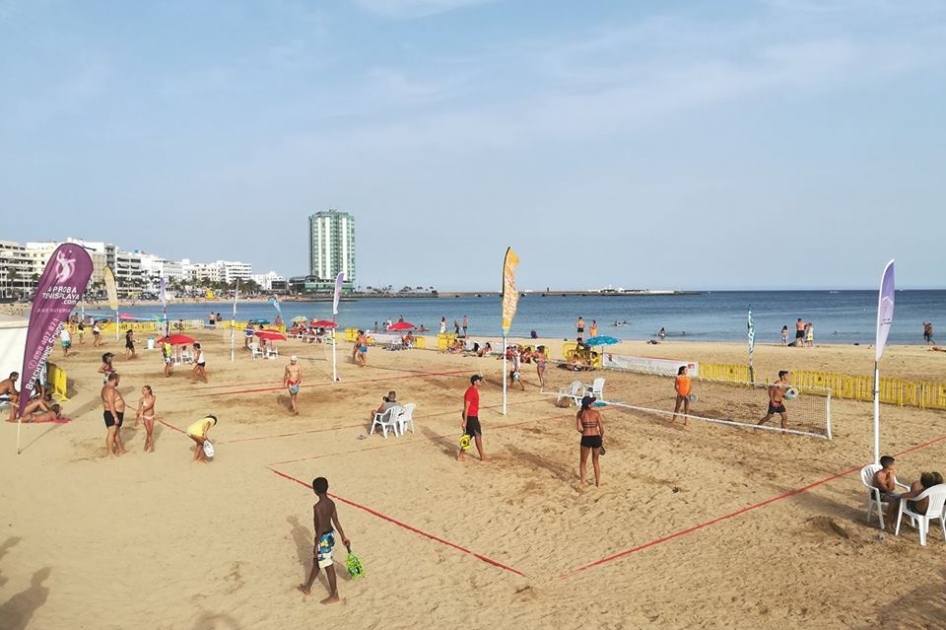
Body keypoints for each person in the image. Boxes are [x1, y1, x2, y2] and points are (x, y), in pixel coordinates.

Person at [298, 477, 351, 603]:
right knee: (317, 561)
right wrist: (343, 536)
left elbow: (320, 526)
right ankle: (307, 587)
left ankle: (334, 595)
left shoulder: (317, 507)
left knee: (328, 565)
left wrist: (316, 544)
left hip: (323, 538)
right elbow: (336, 521)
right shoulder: (331, 503)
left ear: (314, 490)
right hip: (331, 535)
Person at [576, 395, 604, 488]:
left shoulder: (580, 414)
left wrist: (584, 432)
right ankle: (598, 483)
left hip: (586, 438)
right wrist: (601, 438)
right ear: (588, 405)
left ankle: (582, 482)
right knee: (595, 461)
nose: (593, 403)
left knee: (583, 462)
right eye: (592, 402)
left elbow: (579, 428)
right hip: (596, 438)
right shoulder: (596, 413)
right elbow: (601, 428)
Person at [458, 374, 485, 462]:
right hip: (470, 417)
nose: (481, 382)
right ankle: (482, 456)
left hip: (472, 416)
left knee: (468, 435)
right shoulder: (470, 392)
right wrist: (465, 421)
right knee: (478, 435)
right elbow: (466, 407)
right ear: (475, 382)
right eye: (479, 380)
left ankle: (460, 455)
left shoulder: (474, 390)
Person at [101, 373, 127, 457]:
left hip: (115, 412)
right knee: (112, 432)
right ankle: (110, 452)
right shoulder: (110, 390)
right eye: (118, 380)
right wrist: (115, 416)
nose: (119, 381)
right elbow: (110, 403)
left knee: (116, 432)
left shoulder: (106, 388)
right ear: (115, 379)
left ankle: (121, 450)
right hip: (112, 413)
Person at [135, 385, 156, 452]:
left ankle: (145, 445)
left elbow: (151, 405)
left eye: (144, 390)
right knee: (149, 432)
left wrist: (143, 410)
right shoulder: (141, 400)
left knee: (150, 432)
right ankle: (151, 446)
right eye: (142, 390)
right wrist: (136, 419)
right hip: (145, 417)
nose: (143, 391)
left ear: (149, 390)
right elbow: (138, 409)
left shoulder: (153, 397)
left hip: (152, 416)